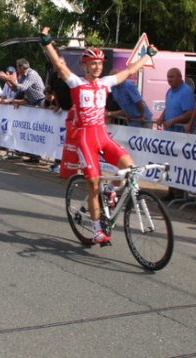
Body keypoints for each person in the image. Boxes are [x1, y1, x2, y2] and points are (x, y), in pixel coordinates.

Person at [40, 26, 157, 244]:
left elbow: (129, 71)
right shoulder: (77, 83)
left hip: (103, 135)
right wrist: (47, 42)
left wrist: (146, 56)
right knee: (93, 183)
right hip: (85, 138)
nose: (96, 67)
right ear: (84, 65)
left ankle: (110, 191)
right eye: (92, 63)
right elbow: (59, 65)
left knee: (129, 170)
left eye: (100, 63)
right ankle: (96, 230)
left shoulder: (106, 83)